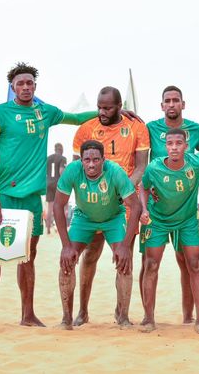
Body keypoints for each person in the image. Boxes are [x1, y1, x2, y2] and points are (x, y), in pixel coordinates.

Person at [0, 62, 100, 330]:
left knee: (29, 256)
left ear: (35, 86)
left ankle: (27, 315)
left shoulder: (45, 112)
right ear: (12, 87)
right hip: (5, 196)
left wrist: (111, 111)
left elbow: (77, 118)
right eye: (20, 83)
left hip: (33, 198)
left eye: (29, 83)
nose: (25, 87)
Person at [139, 129, 199, 335]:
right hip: (158, 220)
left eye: (178, 143)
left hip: (187, 221)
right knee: (151, 264)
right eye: (170, 144)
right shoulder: (154, 167)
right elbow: (144, 187)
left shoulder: (195, 162)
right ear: (165, 146)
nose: (174, 147)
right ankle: (148, 318)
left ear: (186, 146)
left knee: (194, 265)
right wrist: (144, 209)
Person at [71, 86, 149, 327]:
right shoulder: (86, 129)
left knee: (123, 257)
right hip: (93, 205)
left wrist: (121, 191)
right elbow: (77, 171)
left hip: (124, 204)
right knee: (90, 256)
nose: (102, 112)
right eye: (99, 107)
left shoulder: (137, 127)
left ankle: (122, 313)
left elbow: (141, 167)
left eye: (108, 108)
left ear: (119, 106)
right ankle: (82, 311)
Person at [54, 140, 140, 330]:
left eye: (96, 160)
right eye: (87, 160)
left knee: (125, 263)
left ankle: (123, 317)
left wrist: (125, 246)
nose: (91, 164)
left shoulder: (115, 171)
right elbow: (58, 205)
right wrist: (66, 246)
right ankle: (68, 318)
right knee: (67, 262)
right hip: (84, 218)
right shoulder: (72, 171)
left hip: (113, 218)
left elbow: (136, 206)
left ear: (104, 159)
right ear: (81, 160)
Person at [145, 86, 199, 324]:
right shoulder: (150, 128)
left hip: (185, 209)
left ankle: (190, 316)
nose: (171, 104)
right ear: (161, 105)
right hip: (157, 209)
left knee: (188, 263)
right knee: (149, 263)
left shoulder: (196, 130)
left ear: (183, 104)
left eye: (175, 100)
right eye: (167, 101)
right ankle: (148, 317)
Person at [45, 143, 67, 234]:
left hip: (49, 183)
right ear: (61, 150)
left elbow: (45, 171)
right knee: (60, 206)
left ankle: (48, 229)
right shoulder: (62, 158)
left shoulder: (48, 158)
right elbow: (61, 171)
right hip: (58, 184)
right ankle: (60, 228)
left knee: (50, 207)